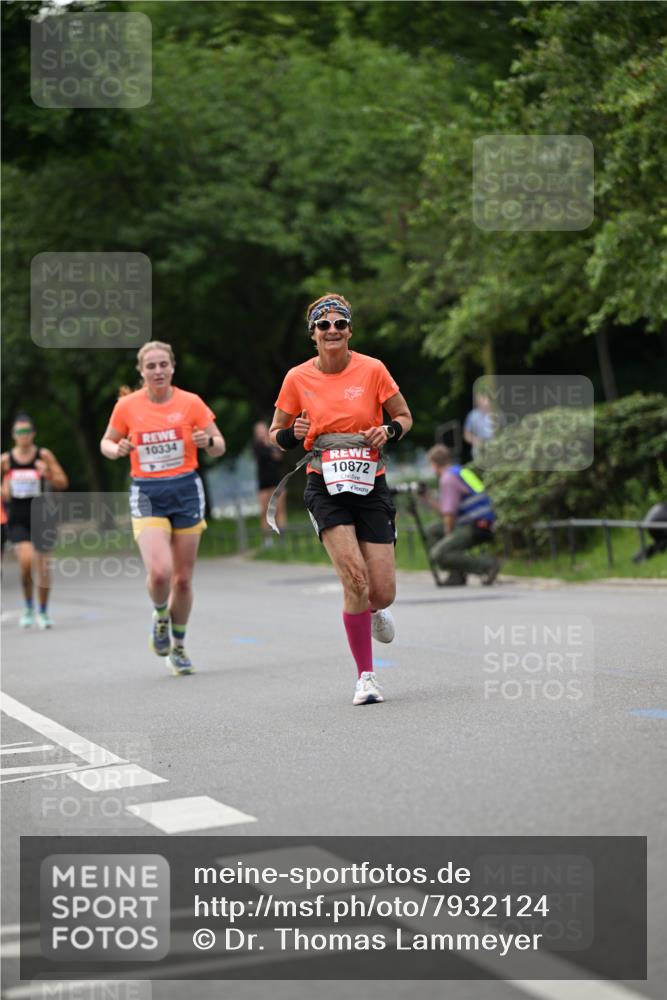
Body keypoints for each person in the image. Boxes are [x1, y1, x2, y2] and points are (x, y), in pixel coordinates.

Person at [269, 293, 412, 706]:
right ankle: (366, 677)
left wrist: (389, 431)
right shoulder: (297, 378)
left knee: (380, 593)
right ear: (312, 334)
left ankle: (372, 609)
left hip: (371, 485)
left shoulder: (373, 369)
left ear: (349, 330)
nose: (332, 331)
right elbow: (275, 433)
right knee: (355, 579)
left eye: (339, 324)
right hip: (324, 485)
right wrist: (290, 435)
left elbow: (404, 416)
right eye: (323, 325)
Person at [100, 341, 225, 675]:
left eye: (163, 365)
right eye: (150, 366)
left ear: (172, 368)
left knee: (182, 581)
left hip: (186, 490)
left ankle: (179, 647)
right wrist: (116, 449)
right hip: (148, 493)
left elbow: (219, 445)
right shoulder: (127, 406)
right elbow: (106, 441)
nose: (157, 371)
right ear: (141, 371)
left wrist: (207, 442)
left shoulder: (191, 403)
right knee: (160, 572)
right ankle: (159, 615)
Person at [1, 414, 68, 628]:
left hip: (42, 515)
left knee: (43, 567)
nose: (24, 436)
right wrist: (4, 489)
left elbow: (62, 481)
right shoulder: (5, 460)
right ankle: (29, 606)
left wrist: (46, 472)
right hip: (18, 516)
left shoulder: (43, 455)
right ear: (13, 435)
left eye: (27, 431)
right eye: (20, 432)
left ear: (33, 433)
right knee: (26, 562)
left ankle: (43, 611)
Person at [423, 444, 500, 586]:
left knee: (438, 554)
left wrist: (448, 535)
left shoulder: (448, 478)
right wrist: (428, 499)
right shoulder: (460, 471)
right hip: (482, 521)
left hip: (476, 525)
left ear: (434, 465)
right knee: (431, 531)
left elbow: (449, 514)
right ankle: (456, 574)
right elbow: (448, 509)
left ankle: (487, 565)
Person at [252, 420, 286, 545]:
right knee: (264, 511)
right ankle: (267, 539)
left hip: (277, 482)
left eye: (262, 431)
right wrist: (270, 452)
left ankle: (282, 538)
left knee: (279, 510)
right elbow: (262, 456)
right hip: (263, 483)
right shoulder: (256, 446)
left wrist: (271, 449)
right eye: (258, 432)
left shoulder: (274, 443)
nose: (261, 434)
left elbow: (279, 459)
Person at [463, 390, 497, 462]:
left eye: (483, 399)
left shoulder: (497, 414)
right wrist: (475, 440)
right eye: (479, 400)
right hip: (479, 446)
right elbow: (466, 435)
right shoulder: (472, 416)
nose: (481, 402)